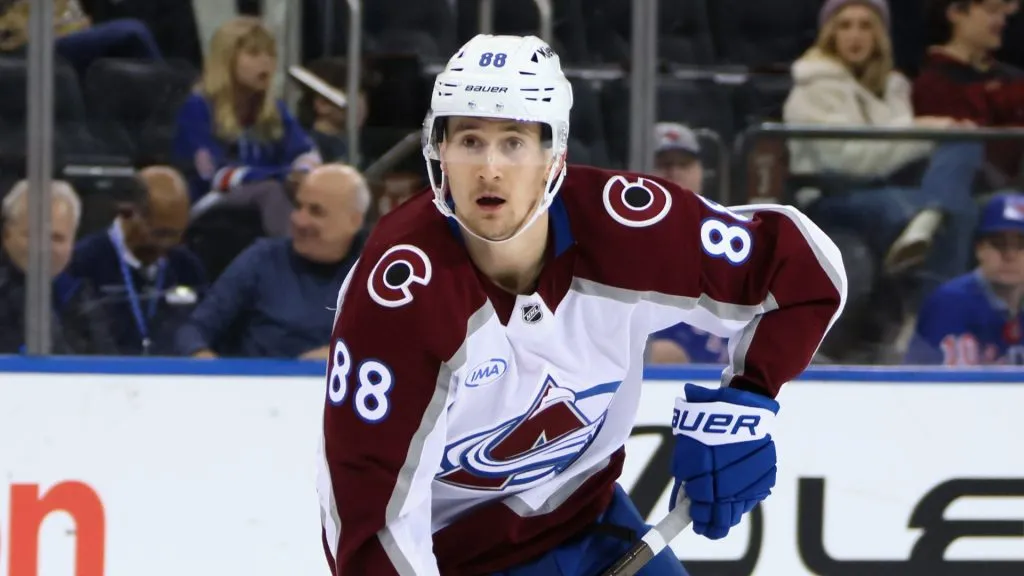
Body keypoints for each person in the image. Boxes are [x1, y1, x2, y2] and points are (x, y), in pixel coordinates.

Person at [315, 35, 847, 576]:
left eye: (514, 142)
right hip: (458, 561)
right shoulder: (399, 295)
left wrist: (745, 404)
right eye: (469, 140)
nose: (489, 169)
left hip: (591, 528)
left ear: (555, 155)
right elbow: (369, 522)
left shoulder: (631, 232)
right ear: (440, 151)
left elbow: (804, 271)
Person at [784, 0, 982, 296]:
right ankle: (926, 310)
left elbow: (891, 154)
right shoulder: (812, 87)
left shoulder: (893, 87)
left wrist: (939, 132)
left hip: (887, 187)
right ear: (830, 34)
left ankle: (930, 219)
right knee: (956, 210)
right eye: (845, 25)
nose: (855, 36)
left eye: (865, 26)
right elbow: (849, 162)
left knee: (963, 140)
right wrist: (923, 131)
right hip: (832, 196)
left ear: (879, 34)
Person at [176, 164, 367, 359]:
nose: (299, 220)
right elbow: (193, 331)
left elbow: (396, 347)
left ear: (354, 221)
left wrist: (344, 356)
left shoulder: (378, 275)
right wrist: (209, 367)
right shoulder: (262, 259)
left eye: (316, 211)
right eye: (298, 206)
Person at [171, 16, 321, 236]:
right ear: (227, 60)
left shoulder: (274, 110)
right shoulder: (198, 108)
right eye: (254, 54)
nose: (266, 63)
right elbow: (215, 176)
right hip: (208, 207)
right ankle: (297, 255)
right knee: (270, 191)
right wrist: (280, 176)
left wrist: (302, 174)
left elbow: (306, 153)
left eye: (270, 54)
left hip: (269, 198)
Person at [69, 166, 206, 355]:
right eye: (160, 233)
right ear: (127, 212)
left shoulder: (187, 267)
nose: (168, 245)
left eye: (177, 235)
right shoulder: (84, 262)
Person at [906, 192, 1024, 365]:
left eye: (1022, 244)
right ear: (979, 249)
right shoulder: (950, 304)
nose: (1009, 255)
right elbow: (924, 385)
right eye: (999, 243)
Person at [0, 179, 114, 354]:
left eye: (57, 238)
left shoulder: (82, 297)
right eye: (33, 235)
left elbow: (107, 368)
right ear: (7, 234)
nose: (44, 248)